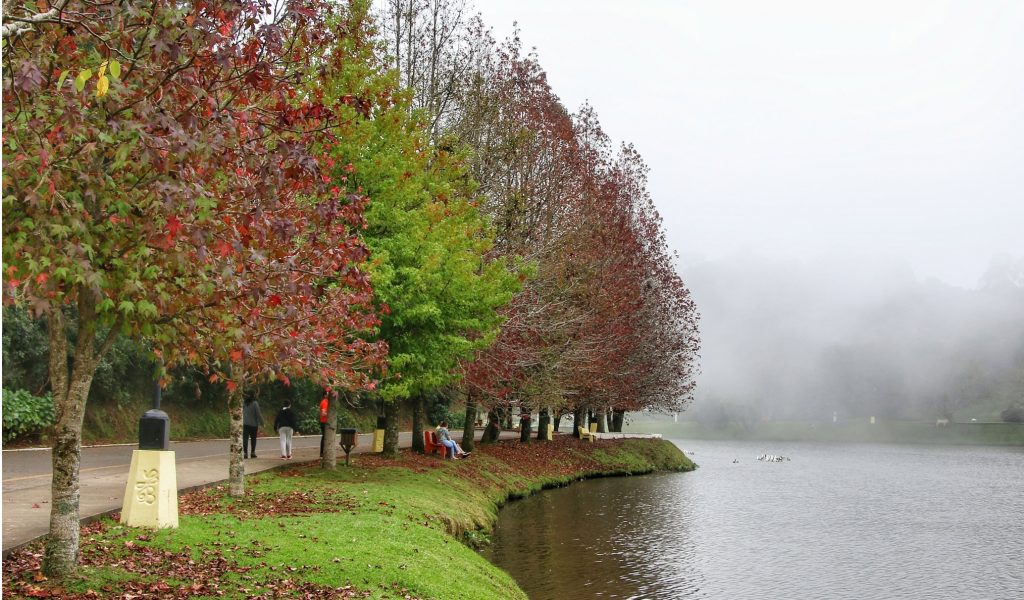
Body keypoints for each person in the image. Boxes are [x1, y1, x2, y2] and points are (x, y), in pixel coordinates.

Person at [242, 393, 263, 459]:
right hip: (254, 425)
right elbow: (258, 414)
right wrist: (262, 422)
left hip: (245, 424)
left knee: (245, 438)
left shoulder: (244, 403)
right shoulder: (255, 403)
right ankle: (252, 453)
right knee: (253, 439)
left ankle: (245, 453)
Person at [319, 393, 329, 457]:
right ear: (325, 395)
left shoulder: (326, 402)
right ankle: (322, 452)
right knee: (325, 437)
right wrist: (330, 415)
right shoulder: (325, 402)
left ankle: (323, 452)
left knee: (325, 437)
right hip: (324, 422)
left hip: (325, 421)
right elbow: (323, 413)